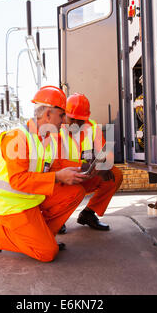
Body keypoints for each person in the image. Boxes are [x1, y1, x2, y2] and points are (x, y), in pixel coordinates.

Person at [0, 86, 89, 262]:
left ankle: (44, 237)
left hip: (31, 200)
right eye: (61, 115)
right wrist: (57, 177)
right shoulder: (17, 138)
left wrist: (80, 169)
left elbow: (51, 169)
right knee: (47, 253)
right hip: (10, 206)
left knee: (75, 193)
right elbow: (17, 180)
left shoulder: (46, 140)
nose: (64, 121)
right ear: (48, 114)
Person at [54, 93, 123, 233]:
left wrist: (103, 165)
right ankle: (55, 218)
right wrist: (80, 166)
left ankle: (88, 214)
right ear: (64, 115)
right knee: (58, 183)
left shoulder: (92, 127)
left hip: (83, 175)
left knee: (115, 174)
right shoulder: (55, 128)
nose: (75, 123)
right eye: (71, 119)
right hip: (62, 179)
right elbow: (53, 164)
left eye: (79, 120)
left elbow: (106, 154)